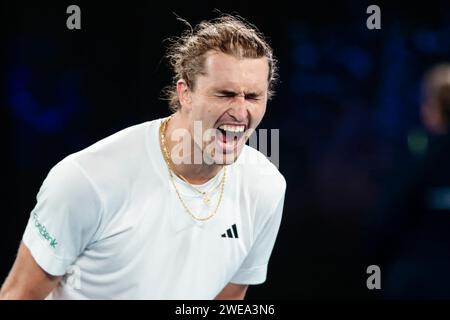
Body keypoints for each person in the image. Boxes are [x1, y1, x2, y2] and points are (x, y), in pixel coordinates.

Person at [0, 14, 286, 299]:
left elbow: (231, 296)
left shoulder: (265, 186)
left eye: (252, 97)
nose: (240, 111)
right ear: (185, 93)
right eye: (224, 94)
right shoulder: (85, 180)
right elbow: (20, 294)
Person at [367, 63, 450, 298]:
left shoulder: (415, 161)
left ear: (431, 109)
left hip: (414, 284)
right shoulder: (415, 158)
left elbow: (382, 225)